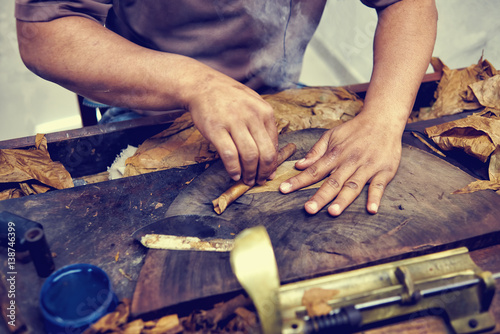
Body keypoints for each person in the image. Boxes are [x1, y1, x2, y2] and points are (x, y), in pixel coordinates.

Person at [15, 0, 437, 216]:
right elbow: (45, 33)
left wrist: (384, 118)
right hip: (153, 100)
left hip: (281, 92)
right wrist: (196, 83)